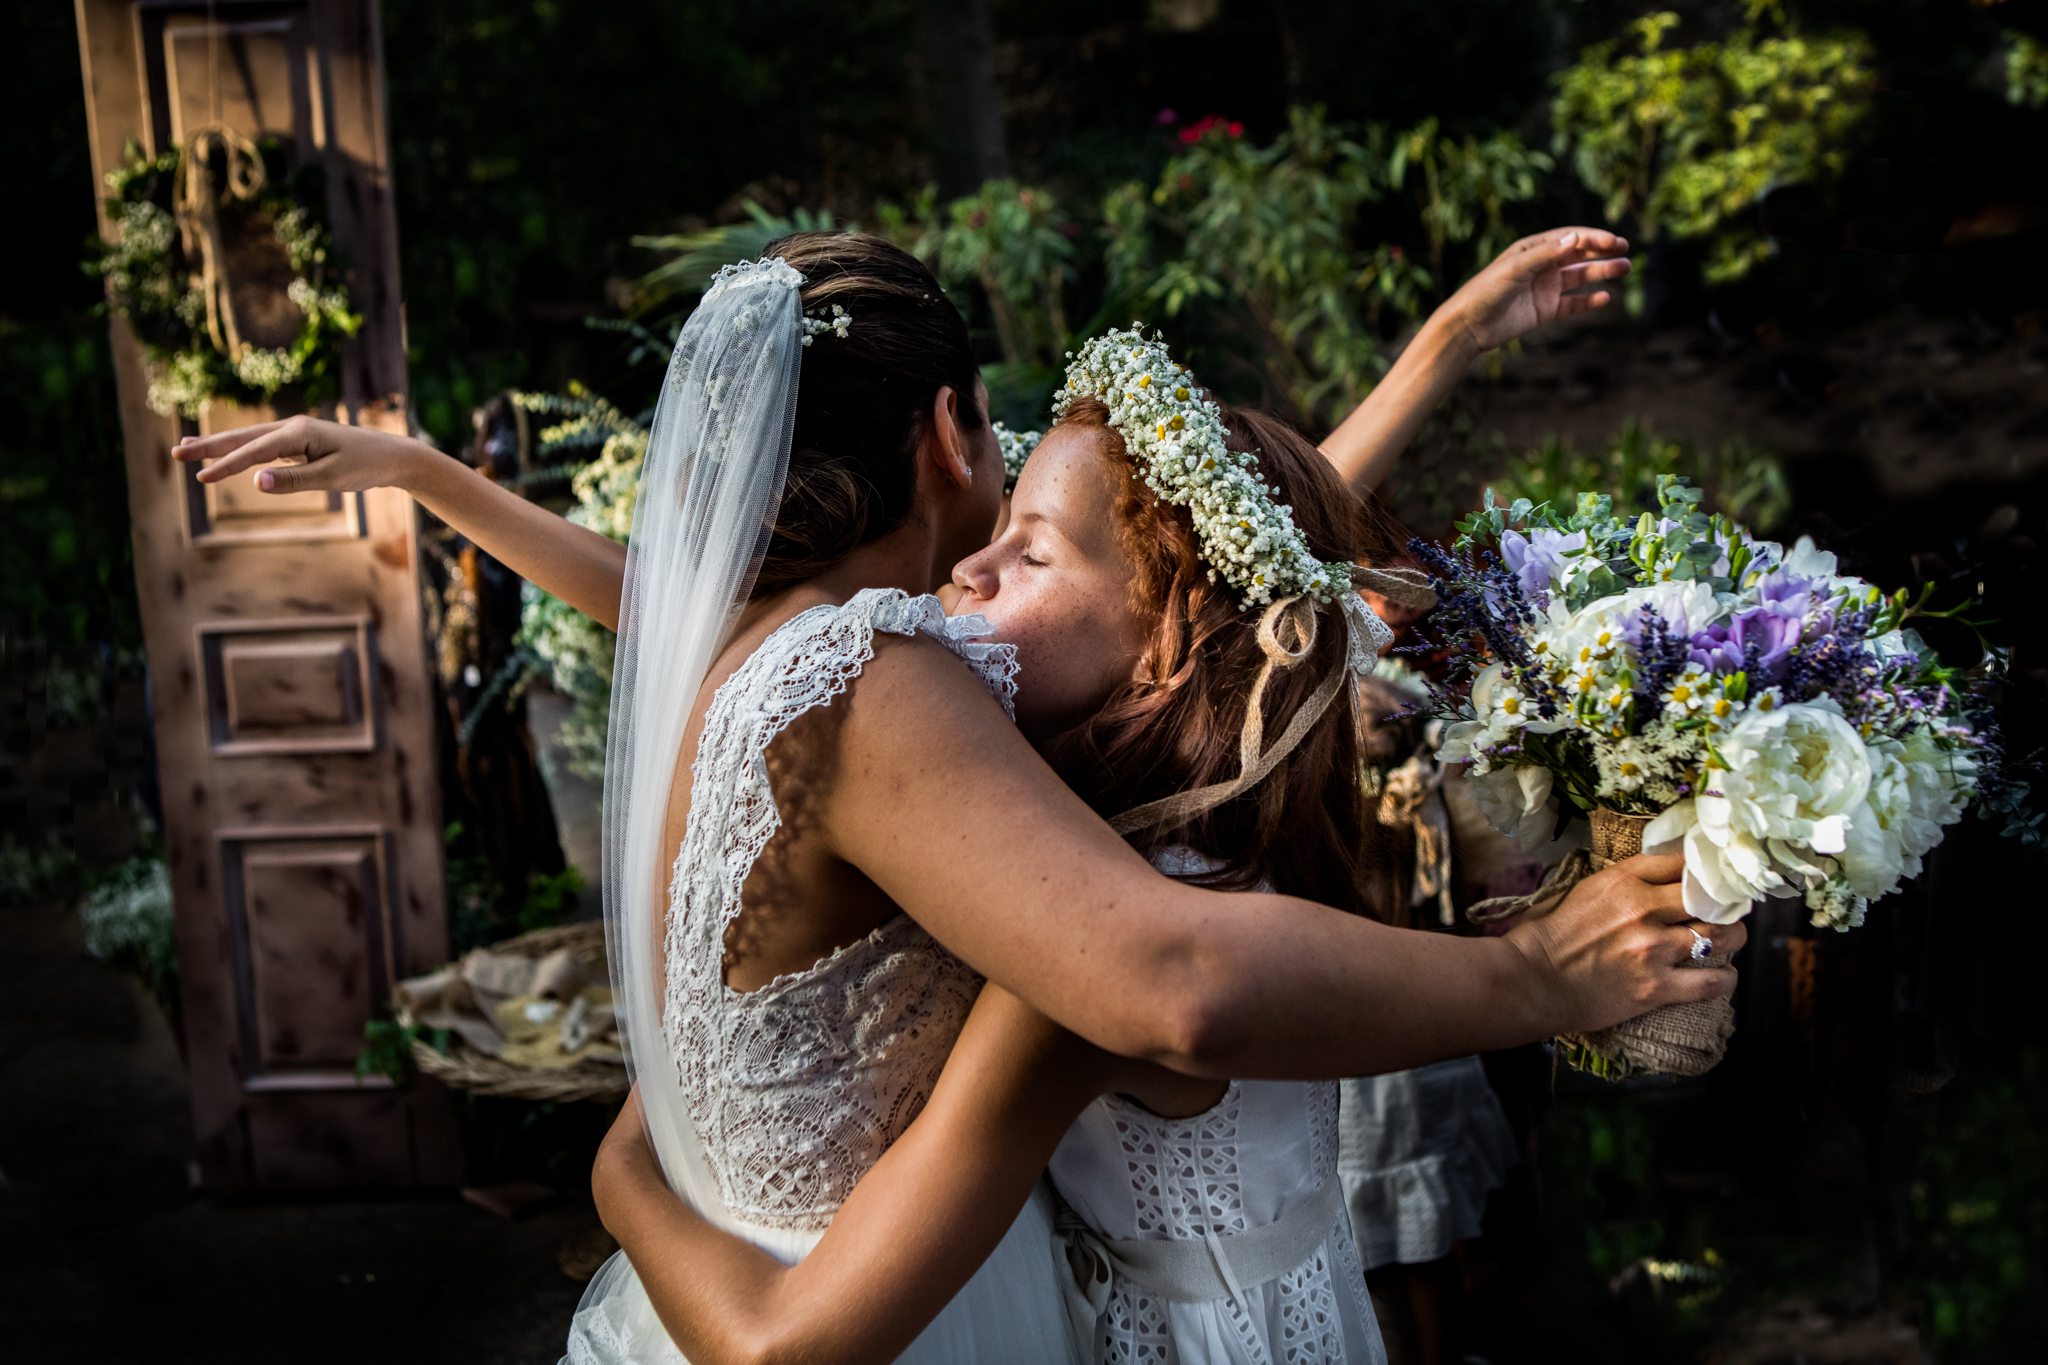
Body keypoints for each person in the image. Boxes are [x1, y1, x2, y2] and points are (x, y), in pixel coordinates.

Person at [174, 231, 1736, 1364]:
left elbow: (1234, 558)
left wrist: (432, 473)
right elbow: (1171, 966)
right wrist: (1531, 978)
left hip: (756, 1274)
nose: (997, 554)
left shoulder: (777, 660)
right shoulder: (889, 675)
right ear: (948, 433)